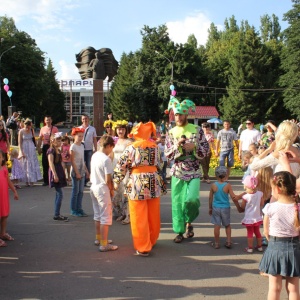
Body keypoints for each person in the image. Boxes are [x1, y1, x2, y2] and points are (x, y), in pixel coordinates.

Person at [113, 122, 166, 256]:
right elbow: (161, 163)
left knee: (138, 215)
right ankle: (152, 239)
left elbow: (121, 165)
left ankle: (143, 245)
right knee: (153, 213)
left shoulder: (131, 148)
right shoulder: (155, 147)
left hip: (137, 183)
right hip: (153, 182)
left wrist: (116, 180)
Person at [165, 98, 210, 243]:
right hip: (178, 170)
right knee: (177, 201)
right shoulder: (171, 132)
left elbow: (206, 148)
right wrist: (177, 146)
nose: (178, 117)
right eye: (176, 114)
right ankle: (179, 231)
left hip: (194, 170)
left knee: (192, 200)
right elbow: (167, 153)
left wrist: (194, 147)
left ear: (186, 115)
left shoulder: (196, 130)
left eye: (181, 115)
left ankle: (189, 221)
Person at [259, 171, 300, 300]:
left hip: (275, 247)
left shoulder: (270, 208)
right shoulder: (297, 207)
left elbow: (266, 232)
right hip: (294, 248)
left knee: (274, 288)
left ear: (277, 189)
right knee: (293, 288)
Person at [90, 135, 118, 252]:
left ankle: (99, 238)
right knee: (106, 217)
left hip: (93, 186)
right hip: (102, 189)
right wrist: (111, 190)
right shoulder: (106, 159)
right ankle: (104, 244)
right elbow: (108, 180)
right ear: (108, 146)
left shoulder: (95, 155)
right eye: (111, 147)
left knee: (97, 215)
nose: (111, 150)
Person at [209, 166, 242, 249]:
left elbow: (210, 198)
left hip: (216, 207)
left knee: (217, 225)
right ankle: (228, 241)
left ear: (216, 175)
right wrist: (239, 203)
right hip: (225, 208)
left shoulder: (213, 185)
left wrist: (210, 208)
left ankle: (216, 243)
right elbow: (233, 197)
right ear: (225, 175)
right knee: (227, 225)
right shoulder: (227, 185)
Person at [236, 175, 264, 253]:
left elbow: (242, 207)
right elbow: (262, 203)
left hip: (249, 218)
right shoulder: (260, 194)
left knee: (250, 233)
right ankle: (260, 246)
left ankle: (250, 247)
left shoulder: (246, 197)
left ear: (248, 187)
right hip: (257, 217)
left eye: (245, 187)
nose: (244, 189)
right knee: (257, 231)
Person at [111, 120, 131, 224]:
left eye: (122, 129)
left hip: (125, 169)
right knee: (117, 192)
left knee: (125, 192)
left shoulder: (129, 142)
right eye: (119, 129)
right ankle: (120, 213)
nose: (120, 131)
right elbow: (111, 155)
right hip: (115, 167)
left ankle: (127, 214)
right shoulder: (114, 141)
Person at [47, 132, 69, 222]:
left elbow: (60, 162)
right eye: (58, 141)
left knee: (58, 194)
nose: (60, 142)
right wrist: (55, 175)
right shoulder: (51, 151)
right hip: (55, 172)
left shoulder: (58, 150)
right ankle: (56, 214)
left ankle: (57, 213)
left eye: (60, 141)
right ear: (53, 141)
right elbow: (51, 163)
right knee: (60, 194)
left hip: (59, 171)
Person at [0, 149, 19, 247]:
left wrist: (14, 191)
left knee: (4, 215)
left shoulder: (4, 168)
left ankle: (2, 233)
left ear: (2, 158)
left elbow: (8, 181)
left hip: (3, 196)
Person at [70, 127, 89, 217]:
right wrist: (77, 173)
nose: (80, 138)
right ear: (74, 136)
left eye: (82, 136)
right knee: (75, 191)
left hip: (82, 170)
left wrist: (86, 171)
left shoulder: (82, 146)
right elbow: (72, 160)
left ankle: (79, 208)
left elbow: (82, 159)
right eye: (79, 136)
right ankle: (74, 209)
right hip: (75, 170)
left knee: (81, 191)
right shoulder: (73, 147)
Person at [18, 118, 42, 186]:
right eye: (26, 126)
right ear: (24, 125)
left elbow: (34, 139)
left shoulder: (31, 130)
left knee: (32, 162)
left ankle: (32, 180)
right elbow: (19, 142)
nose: (28, 127)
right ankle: (26, 181)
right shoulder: (21, 131)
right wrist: (21, 151)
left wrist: (37, 147)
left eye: (29, 126)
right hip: (24, 147)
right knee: (25, 163)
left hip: (31, 147)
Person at [37, 116, 58, 186]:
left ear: (51, 120)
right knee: (45, 163)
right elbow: (40, 138)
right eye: (46, 120)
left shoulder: (55, 129)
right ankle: (46, 180)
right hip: (45, 147)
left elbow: (58, 138)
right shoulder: (42, 129)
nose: (48, 121)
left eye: (49, 120)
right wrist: (38, 147)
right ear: (44, 121)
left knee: (52, 163)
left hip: (52, 146)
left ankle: (53, 178)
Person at [79, 114, 97, 186]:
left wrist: (95, 148)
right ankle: (82, 179)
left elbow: (94, 139)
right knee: (81, 164)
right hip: (80, 149)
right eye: (83, 119)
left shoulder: (92, 128)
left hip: (89, 149)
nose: (84, 120)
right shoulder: (78, 128)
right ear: (81, 120)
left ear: (88, 119)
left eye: (86, 118)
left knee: (89, 165)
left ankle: (88, 179)